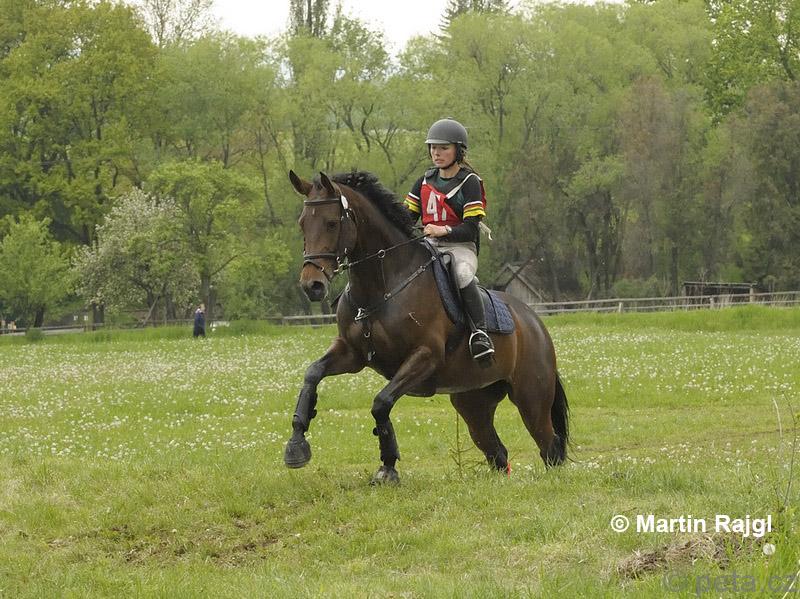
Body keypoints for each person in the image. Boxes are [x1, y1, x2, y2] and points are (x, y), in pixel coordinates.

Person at [405, 118, 494, 361]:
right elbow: (405, 219)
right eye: (433, 147)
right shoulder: (424, 181)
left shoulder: (470, 182)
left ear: (458, 151)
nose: (437, 153)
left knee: (463, 275)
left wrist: (443, 230)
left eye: (444, 148)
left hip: (460, 247)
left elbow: (470, 229)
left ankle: (480, 333)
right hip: (428, 246)